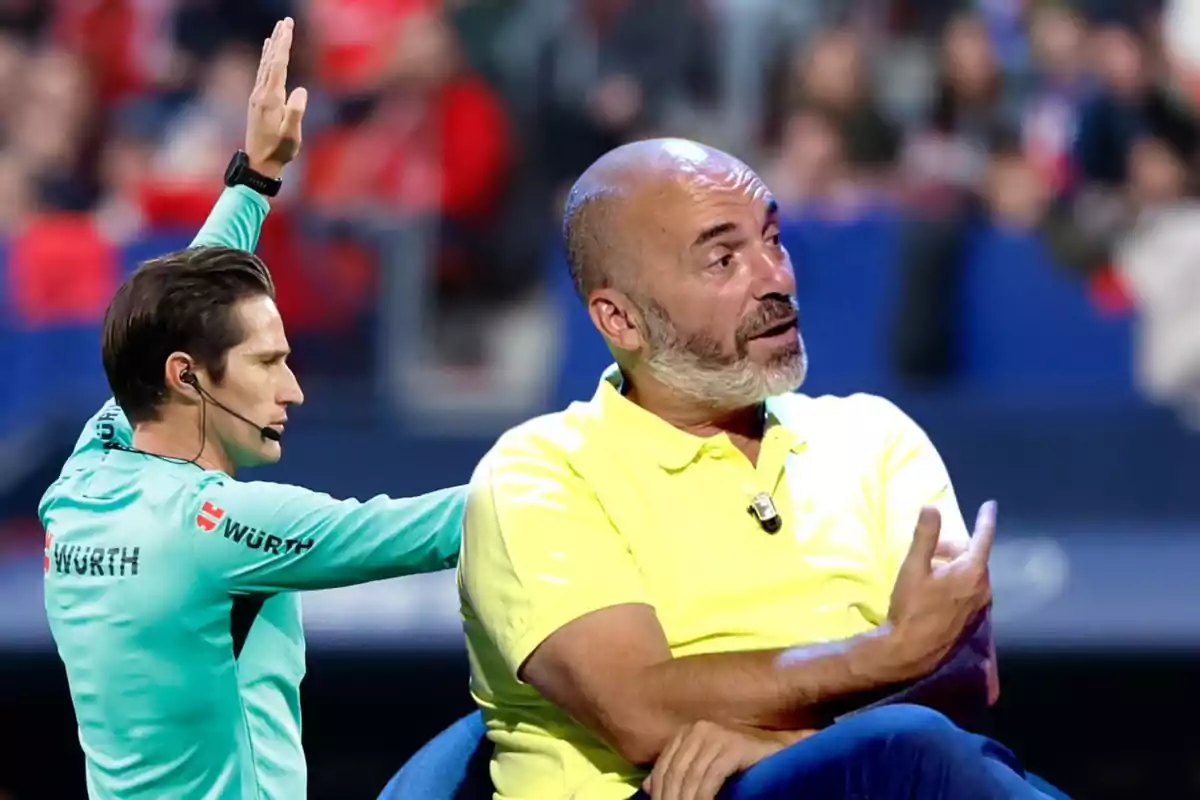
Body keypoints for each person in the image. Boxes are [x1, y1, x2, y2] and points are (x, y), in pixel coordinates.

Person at [459, 138, 1065, 799]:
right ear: (620, 319)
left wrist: (790, 744)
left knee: (921, 753)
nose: (776, 278)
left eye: (772, 240)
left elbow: (964, 669)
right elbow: (637, 709)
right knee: (912, 750)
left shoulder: (875, 436)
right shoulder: (538, 474)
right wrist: (880, 658)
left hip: (886, 779)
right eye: (723, 259)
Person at [41, 19, 465, 800]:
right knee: (491, 737)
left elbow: (176, 316)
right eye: (269, 364)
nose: (293, 390)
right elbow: (435, 528)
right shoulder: (214, 530)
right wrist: (604, 453)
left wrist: (255, 177)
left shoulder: (88, 471)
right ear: (188, 378)